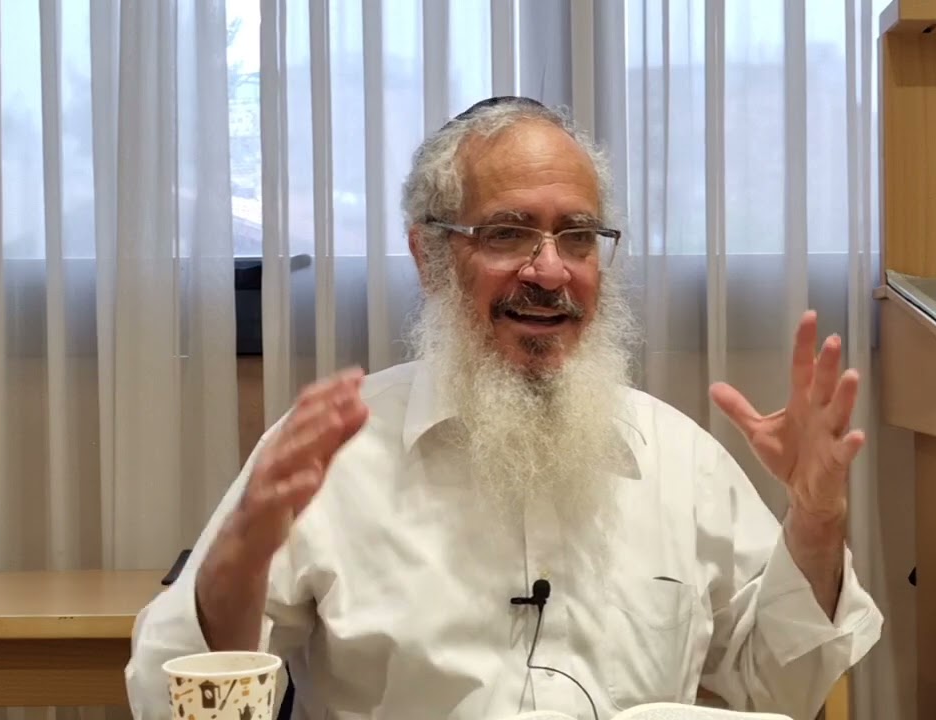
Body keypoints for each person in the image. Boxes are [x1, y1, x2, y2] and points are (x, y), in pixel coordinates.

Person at [125, 96, 882, 720]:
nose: (549, 272)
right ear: (429, 257)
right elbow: (173, 702)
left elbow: (778, 689)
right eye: (509, 233)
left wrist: (816, 523)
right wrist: (238, 559)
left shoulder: (680, 460)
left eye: (577, 237)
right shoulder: (333, 455)